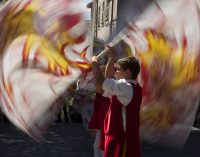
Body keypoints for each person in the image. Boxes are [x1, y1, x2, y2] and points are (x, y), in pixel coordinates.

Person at [91, 46, 142, 157]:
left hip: (121, 141)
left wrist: (94, 63)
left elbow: (101, 81)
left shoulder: (126, 86)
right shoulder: (131, 87)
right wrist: (111, 57)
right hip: (120, 139)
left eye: (119, 69)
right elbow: (106, 82)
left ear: (128, 72)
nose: (116, 72)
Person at [88, 65, 110, 157]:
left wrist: (95, 65)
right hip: (102, 119)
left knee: (102, 149)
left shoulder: (106, 85)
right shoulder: (102, 85)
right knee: (97, 147)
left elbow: (99, 85)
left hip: (106, 120)